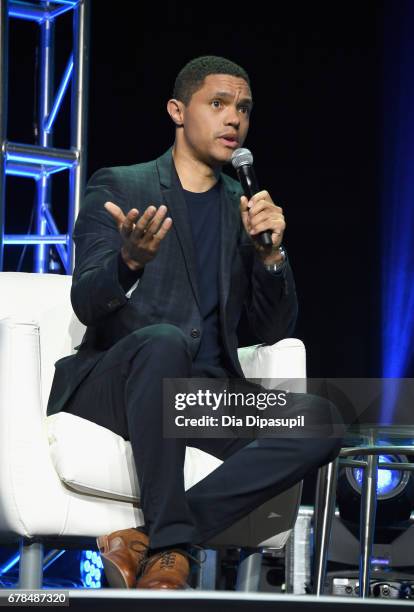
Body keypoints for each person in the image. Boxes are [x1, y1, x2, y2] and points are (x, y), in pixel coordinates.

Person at [46, 55, 343, 590]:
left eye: (244, 109)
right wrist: (128, 261)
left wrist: (272, 257)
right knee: (160, 342)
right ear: (177, 111)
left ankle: (156, 541)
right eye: (219, 104)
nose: (235, 120)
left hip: (202, 399)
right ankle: (170, 544)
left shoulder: (243, 207)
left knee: (322, 416)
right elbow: (86, 301)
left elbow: (273, 329)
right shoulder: (120, 185)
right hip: (117, 385)